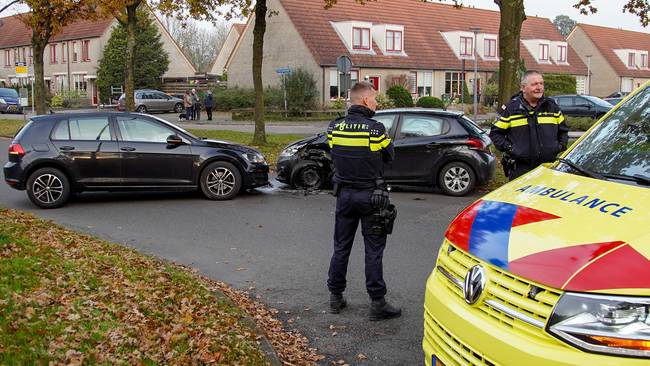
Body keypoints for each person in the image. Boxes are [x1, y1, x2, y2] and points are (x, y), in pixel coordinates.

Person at [326, 81, 401, 321]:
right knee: (373, 251)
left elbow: (332, 152)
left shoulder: (335, 127)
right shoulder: (375, 129)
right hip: (371, 196)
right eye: (375, 99)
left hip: (344, 196)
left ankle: (335, 297)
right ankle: (377, 303)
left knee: (341, 247)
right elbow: (390, 156)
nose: (377, 103)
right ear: (366, 101)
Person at [489, 70, 569, 180]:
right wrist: (512, 149)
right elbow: (495, 134)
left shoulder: (551, 107)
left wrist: (559, 146)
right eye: (534, 84)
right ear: (523, 88)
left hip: (547, 168)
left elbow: (563, 130)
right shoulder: (511, 108)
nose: (539, 87)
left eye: (541, 83)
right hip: (520, 169)